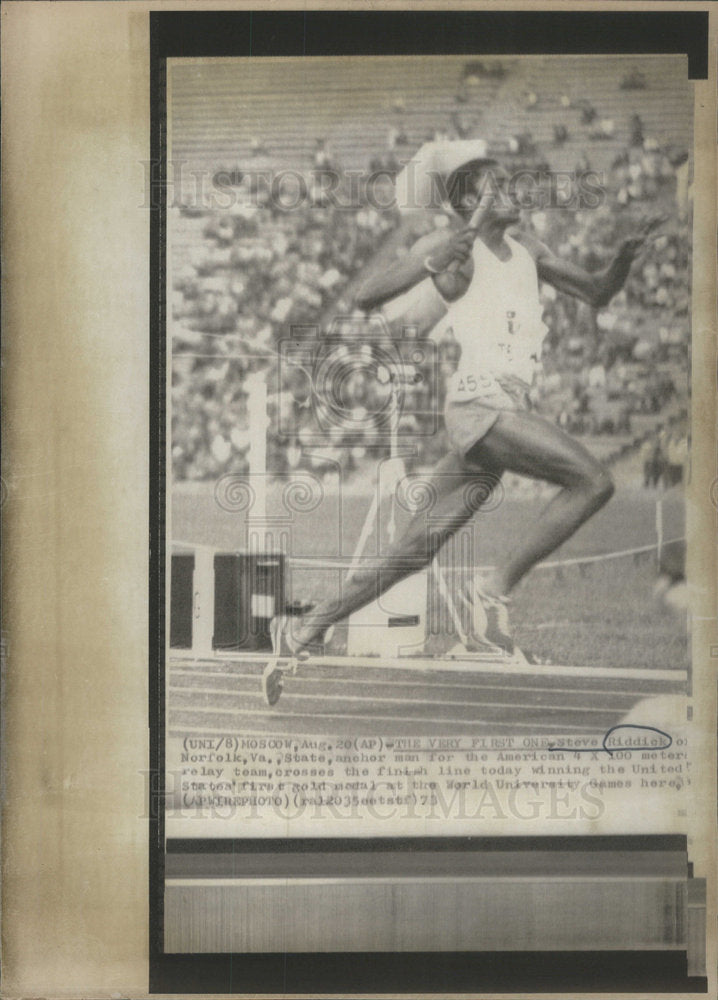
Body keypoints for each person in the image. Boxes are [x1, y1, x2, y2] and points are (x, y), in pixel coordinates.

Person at [263, 155, 663, 704]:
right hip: (480, 406)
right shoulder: (453, 249)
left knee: (415, 549)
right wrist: (431, 265)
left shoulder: (531, 253)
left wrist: (622, 259)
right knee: (594, 481)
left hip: (504, 409)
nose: (515, 190)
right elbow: (365, 296)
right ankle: (492, 589)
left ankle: (306, 627)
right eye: (499, 185)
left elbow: (597, 293)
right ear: (472, 200)